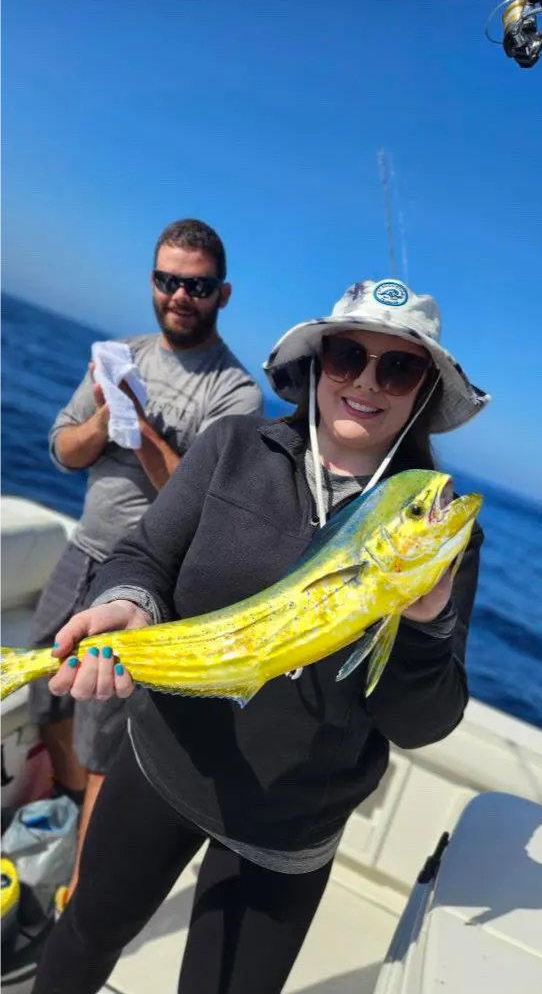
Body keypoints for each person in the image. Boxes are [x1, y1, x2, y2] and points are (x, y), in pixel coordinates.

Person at [31, 277, 490, 994]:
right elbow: (148, 557)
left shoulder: (433, 519)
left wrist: (426, 621)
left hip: (289, 825)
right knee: (87, 933)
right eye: (346, 356)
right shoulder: (234, 447)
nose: (366, 382)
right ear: (317, 362)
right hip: (165, 759)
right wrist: (131, 606)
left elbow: (420, 721)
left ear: (424, 389)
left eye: (398, 367)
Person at [27, 217, 263, 911]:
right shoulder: (119, 354)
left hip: (141, 584)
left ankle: (80, 894)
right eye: (167, 280)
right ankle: (68, 815)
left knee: (104, 739)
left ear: (223, 294)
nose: (179, 295)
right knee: (46, 697)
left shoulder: (236, 396)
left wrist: (145, 428)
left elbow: (207, 509)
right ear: (152, 282)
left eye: (196, 285)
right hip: (81, 553)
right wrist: (104, 421)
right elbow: (62, 450)